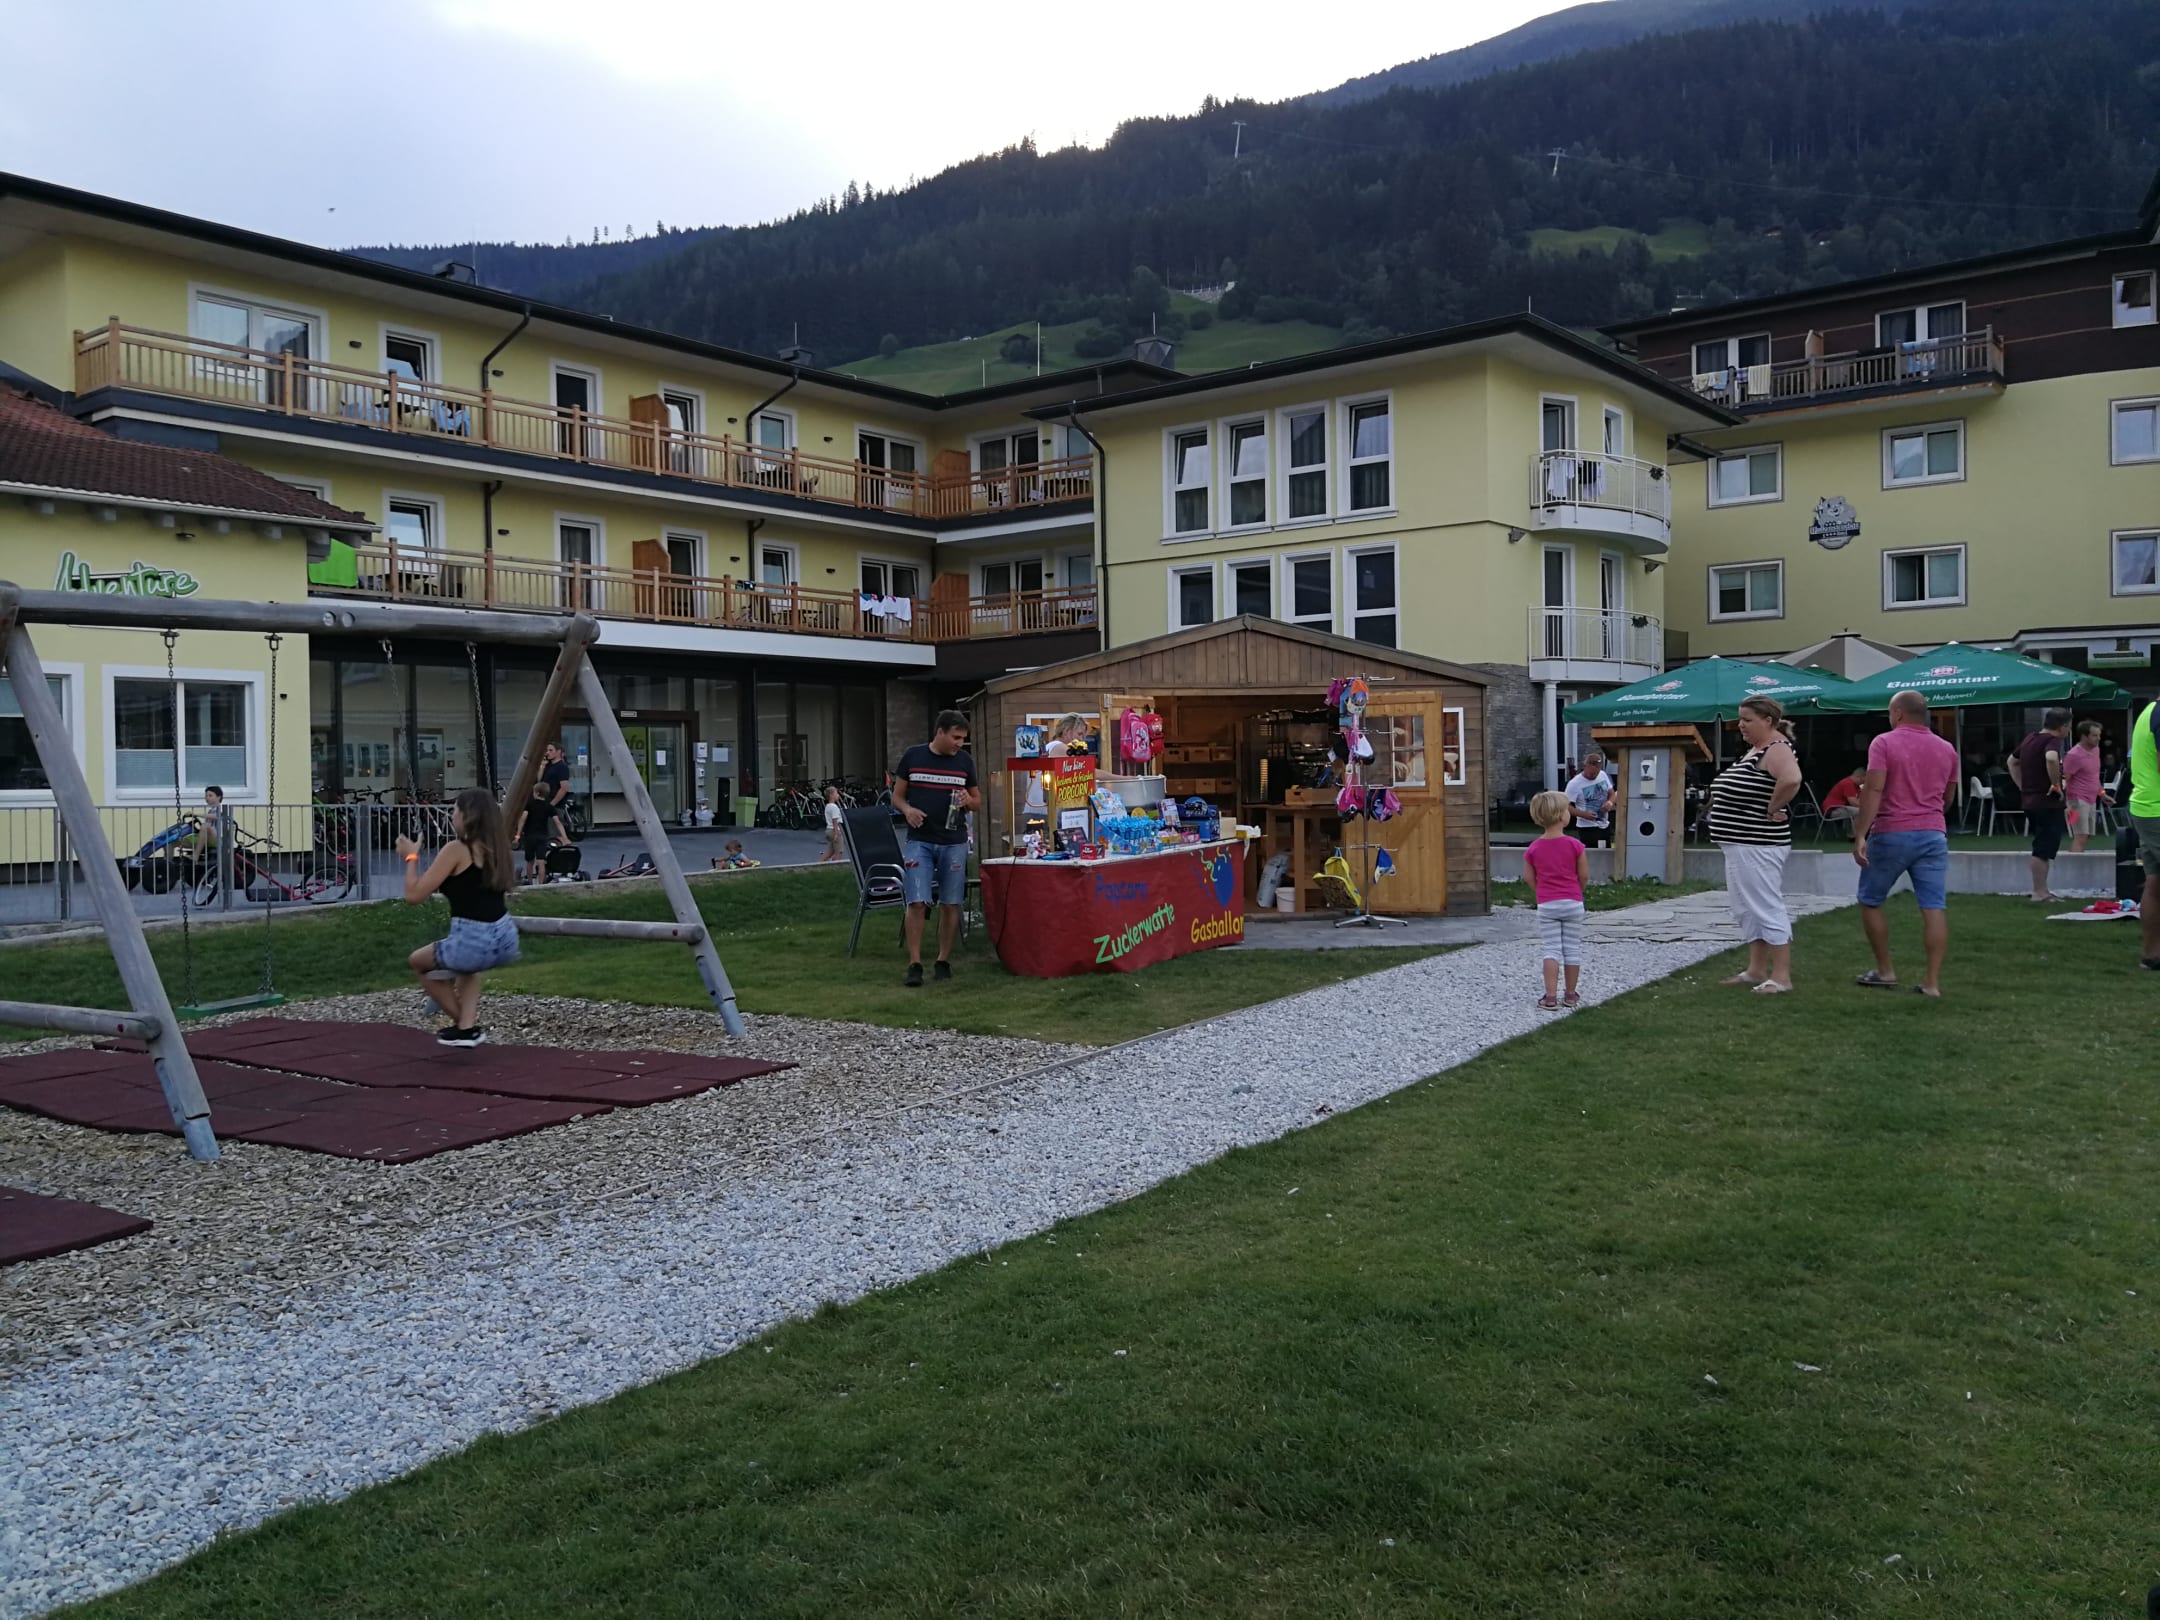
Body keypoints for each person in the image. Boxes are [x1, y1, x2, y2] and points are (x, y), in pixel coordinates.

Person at [1852, 690, 1959, 998]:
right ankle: (1932, 983)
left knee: (1871, 899)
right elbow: (1948, 797)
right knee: (1933, 906)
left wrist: (1861, 834)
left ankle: (1885, 970)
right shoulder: (1947, 748)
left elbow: (1874, 789)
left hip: (1892, 832)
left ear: (1897, 713)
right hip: (1933, 833)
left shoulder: (1884, 742)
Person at [397, 786, 518, 1046]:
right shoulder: (498, 848)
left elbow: (414, 895)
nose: (452, 816)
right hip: (506, 937)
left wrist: (411, 857)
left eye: (454, 811)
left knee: (418, 962)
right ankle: (467, 1028)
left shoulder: (456, 849)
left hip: (473, 939)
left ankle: (466, 1026)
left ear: (467, 816)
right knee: (468, 968)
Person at [1707, 695, 1802, 993]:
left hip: (1758, 845)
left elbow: (1791, 779)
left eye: (1747, 720)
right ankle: (1756, 969)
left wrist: (1772, 808)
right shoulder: (1754, 751)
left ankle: (1782, 976)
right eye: (1740, 719)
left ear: (1768, 721)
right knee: (1745, 908)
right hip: (1738, 845)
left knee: (1765, 906)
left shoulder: (1777, 749)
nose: (1741, 725)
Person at [893, 709, 979, 987]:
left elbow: (977, 801)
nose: (959, 744)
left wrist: (968, 800)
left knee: (951, 902)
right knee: (917, 901)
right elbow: (897, 796)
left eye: (963, 739)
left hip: (953, 841)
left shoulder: (964, 761)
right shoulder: (913, 756)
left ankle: (943, 960)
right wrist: (908, 810)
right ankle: (915, 963)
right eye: (955, 737)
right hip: (920, 840)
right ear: (939, 732)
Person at [1524, 790, 1589, 1011]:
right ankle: (1570, 995)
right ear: (1562, 816)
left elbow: (1529, 877)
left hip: (1547, 904)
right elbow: (1583, 875)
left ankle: (1550, 997)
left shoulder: (1534, 848)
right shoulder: (1575, 845)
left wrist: (1541, 892)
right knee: (1572, 948)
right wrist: (1577, 891)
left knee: (1551, 949)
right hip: (1573, 902)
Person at [2008, 707, 2072, 900]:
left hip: (2030, 800)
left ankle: (2041, 890)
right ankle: (2040, 892)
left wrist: (2022, 786)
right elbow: (2051, 758)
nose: (2068, 731)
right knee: (2043, 848)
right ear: (2062, 727)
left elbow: (2012, 761)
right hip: (2047, 802)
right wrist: (2056, 785)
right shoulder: (2052, 740)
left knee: (2040, 845)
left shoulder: (2030, 739)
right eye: (2068, 727)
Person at [2129, 698, 2160, 971]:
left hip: (2147, 807)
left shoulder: (2149, 711)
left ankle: (2152, 956)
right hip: (2157, 809)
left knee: (2155, 884)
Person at [2064, 720, 2111, 855]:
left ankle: (2075, 858)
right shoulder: (2073, 755)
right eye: (2095, 735)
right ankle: (2073, 863)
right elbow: (2065, 778)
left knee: (2087, 835)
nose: (2099, 738)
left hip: (2091, 799)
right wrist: (2066, 804)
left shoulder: (2096, 750)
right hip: (2076, 801)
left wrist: (2102, 794)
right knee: (2080, 835)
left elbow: (2094, 776)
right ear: (2084, 736)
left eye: (2099, 735)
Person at [512, 781, 568, 884]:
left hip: (529, 836)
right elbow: (557, 822)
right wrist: (565, 837)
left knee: (530, 861)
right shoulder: (549, 807)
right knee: (541, 861)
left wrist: (517, 835)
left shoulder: (529, 805)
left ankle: (529, 883)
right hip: (542, 836)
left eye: (533, 792)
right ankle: (541, 884)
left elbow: (523, 819)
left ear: (537, 793)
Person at [1563, 751, 1615, 849]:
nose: (1593, 776)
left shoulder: (1603, 775)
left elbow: (1612, 793)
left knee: (1606, 852)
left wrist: (1610, 802)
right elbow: (1566, 806)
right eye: (1591, 773)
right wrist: (1584, 814)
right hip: (1587, 828)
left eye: (1596, 773)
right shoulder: (1574, 784)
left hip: (1604, 825)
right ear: (1585, 766)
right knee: (1591, 854)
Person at [1821, 767, 1865, 839]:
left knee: (1858, 810)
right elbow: (1853, 802)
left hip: (1838, 807)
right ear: (1858, 777)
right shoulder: (1848, 783)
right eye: (1863, 781)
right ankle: (1853, 836)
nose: (1863, 783)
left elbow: (1859, 800)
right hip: (1832, 809)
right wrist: (1867, 806)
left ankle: (1852, 834)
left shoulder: (1855, 785)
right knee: (1860, 811)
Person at [541, 741, 572, 821]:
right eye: (547, 750)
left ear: (558, 752)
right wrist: (542, 767)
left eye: (551, 750)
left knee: (554, 826)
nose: (548, 752)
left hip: (556, 805)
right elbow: (540, 780)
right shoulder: (548, 766)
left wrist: (552, 804)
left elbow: (564, 788)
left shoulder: (562, 767)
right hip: (545, 801)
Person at [821, 784, 846, 862]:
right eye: (836, 793)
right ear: (831, 795)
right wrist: (836, 833)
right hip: (835, 830)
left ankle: (819, 863)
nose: (838, 795)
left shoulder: (828, 806)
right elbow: (835, 820)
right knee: (839, 851)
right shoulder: (834, 807)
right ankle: (837, 864)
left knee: (830, 852)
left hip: (829, 830)